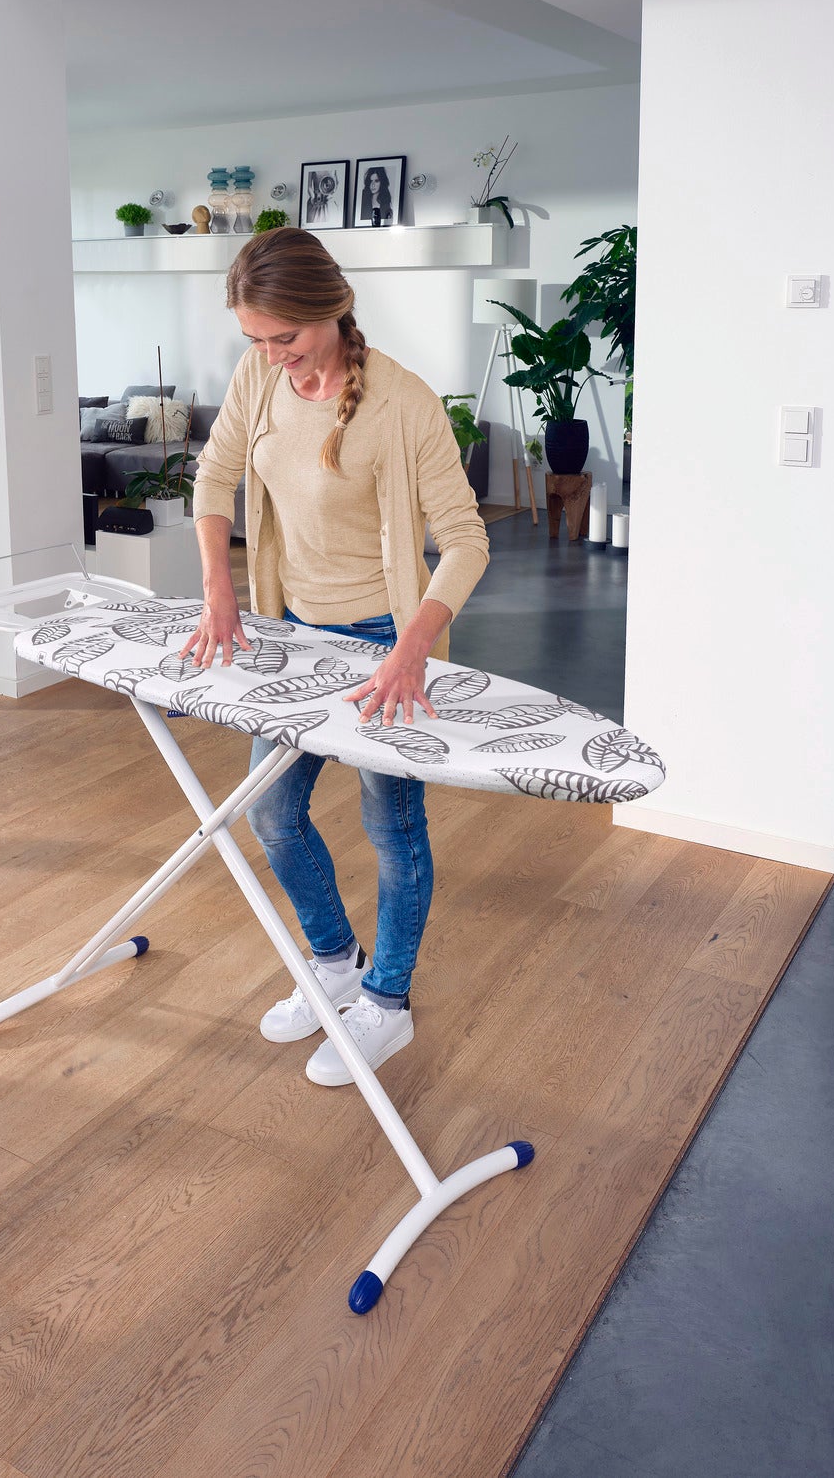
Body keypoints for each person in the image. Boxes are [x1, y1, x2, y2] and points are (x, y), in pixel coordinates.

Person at [180, 227, 489, 1087]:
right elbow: (214, 480)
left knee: (391, 825)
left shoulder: (404, 403)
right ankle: (334, 962)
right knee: (273, 814)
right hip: (294, 634)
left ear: (335, 307)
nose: (274, 356)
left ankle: (386, 1004)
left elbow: (465, 541)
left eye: (287, 337)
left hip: (385, 641)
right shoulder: (259, 378)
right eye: (256, 340)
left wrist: (412, 650)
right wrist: (220, 589)